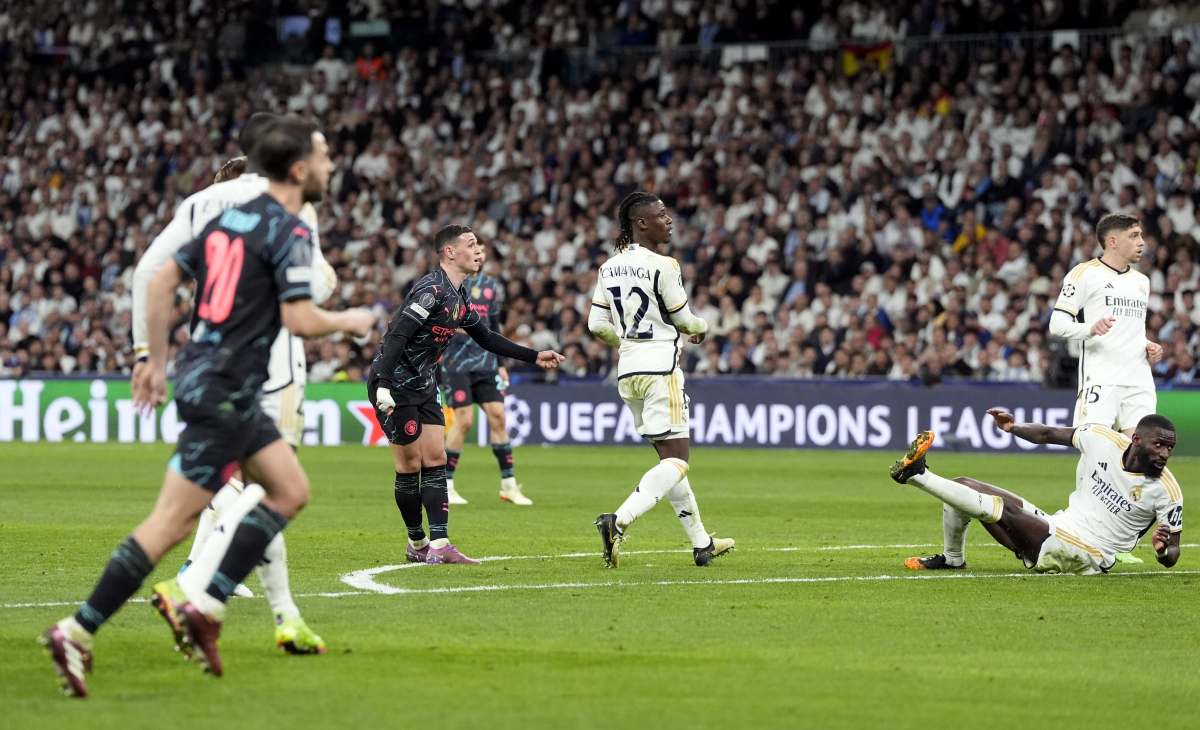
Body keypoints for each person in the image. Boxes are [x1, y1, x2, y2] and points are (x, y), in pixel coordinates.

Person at [40, 117, 375, 697]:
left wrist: (153, 358)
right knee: (169, 524)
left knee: (289, 490)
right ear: (297, 168)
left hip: (215, 381)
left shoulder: (225, 216)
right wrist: (352, 320)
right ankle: (80, 629)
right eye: (322, 157)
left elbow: (162, 273)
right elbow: (299, 318)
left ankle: (207, 602)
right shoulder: (289, 228)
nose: (330, 166)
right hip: (227, 388)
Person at [129, 112, 335, 654]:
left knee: (237, 486)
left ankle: (282, 615)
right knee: (272, 488)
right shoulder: (290, 206)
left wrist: (146, 353)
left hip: (207, 354)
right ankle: (194, 587)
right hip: (273, 358)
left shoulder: (202, 205)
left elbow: (152, 274)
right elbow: (315, 286)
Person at [368, 225, 563, 565]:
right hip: (395, 384)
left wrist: (534, 356)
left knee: (435, 458)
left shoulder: (458, 297)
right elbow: (397, 335)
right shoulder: (431, 291)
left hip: (425, 384)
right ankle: (417, 543)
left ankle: (440, 544)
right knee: (410, 464)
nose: (478, 251)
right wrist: (383, 384)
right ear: (449, 253)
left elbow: (487, 337)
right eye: (471, 244)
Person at [588, 192, 735, 568]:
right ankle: (617, 521)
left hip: (629, 373)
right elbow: (686, 322)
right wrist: (703, 328)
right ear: (641, 223)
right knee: (679, 461)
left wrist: (622, 343)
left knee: (668, 461)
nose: (669, 220)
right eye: (661, 215)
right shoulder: (664, 265)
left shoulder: (608, 268)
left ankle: (702, 543)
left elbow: (596, 324)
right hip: (661, 370)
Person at [893, 410, 1182, 575]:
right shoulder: (1102, 438)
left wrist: (1162, 552)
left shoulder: (1168, 492)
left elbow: (1173, 552)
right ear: (1136, 439)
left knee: (1001, 508)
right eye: (1159, 445)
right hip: (1060, 525)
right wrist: (1013, 427)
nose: (1165, 454)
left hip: (1089, 554)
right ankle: (952, 558)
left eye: (1169, 448)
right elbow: (1047, 434)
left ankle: (919, 476)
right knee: (963, 484)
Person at [1050, 213, 1163, 437]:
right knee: (1094, 448)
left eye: (1141, 235)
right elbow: (1057, 324)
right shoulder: (1084, 274)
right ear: (1112, 241)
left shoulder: (1141, 281)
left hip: (1138, 380)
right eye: (1134, 236)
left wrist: (1149, 344)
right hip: (1102, 379)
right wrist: (1089, 329)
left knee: (1139, 456)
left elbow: (1131, 329)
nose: (1142, 242)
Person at [441, 253, 531, 506]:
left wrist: (501, 364)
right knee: (465, 421)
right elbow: (441, 321)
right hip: (456, 364)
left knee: (499, 418)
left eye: (479, 251)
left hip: (487, 364)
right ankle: (445, 485)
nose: (477, 256)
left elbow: (494, 328)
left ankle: (509, 486)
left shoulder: (491, 287)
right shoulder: (451, 284)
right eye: (471, 250)